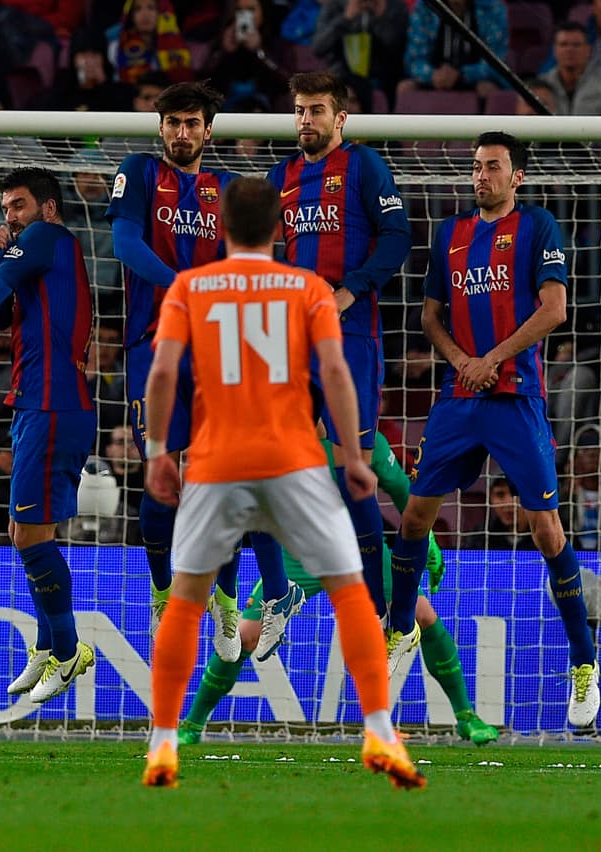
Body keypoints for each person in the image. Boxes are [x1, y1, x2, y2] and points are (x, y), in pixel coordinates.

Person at [140, 176, 423, 790]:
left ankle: (163, 743)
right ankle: (379, 730)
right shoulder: (308, 288)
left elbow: (162, 371)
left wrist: (159, 450)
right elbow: (336, 373)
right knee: (350, 592)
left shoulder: (190, 287)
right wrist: (353, 453)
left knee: (186, 602)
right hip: (294, 460)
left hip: (215, 462)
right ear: (280, 229)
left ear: (221, 230)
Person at [387, 131, 600, 730]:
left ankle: (584, 662)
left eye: (494, 167)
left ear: (518, 176)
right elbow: (430, 314)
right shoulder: (449, 235)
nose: (482, 176)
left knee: (547, 532)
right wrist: (461, 361)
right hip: (459, 396)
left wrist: (493, 360)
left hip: (516, 398)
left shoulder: (538, 228)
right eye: (477, 167)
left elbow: (554, 309)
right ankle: (401, 628)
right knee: (413, 517)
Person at [107, 80, 296, 651]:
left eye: (193, 123)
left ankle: (245, 595)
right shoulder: (139, 172)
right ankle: (165, 591)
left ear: (208, 130)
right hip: (155, 343)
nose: (182, 132)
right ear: (160, 127)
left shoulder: (227, 191)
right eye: (173, 122)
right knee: (162, 475)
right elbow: (123, 242)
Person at [178, 431, 500, 747]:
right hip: (297, 554)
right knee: (247, 635)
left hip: (358, 552)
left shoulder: (363, 441)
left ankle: (465, 716)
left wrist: (426, 540)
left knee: (422, 615)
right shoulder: (280, 438)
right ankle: (192, 724)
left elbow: (404, 491)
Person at [267, 70, 412, 630]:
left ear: (340, 117)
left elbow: (397, 236)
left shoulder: (364, 165)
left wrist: (349, 290)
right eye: (300, 110)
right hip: (293, 341)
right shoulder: (280, 174)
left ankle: (375, 610)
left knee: (355, 469)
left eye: (317, 110)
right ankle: (281, 594)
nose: (306, 120)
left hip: (350, 337)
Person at [0, 167, 98, 704]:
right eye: (6, 208)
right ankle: (45, 646)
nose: (10, 217)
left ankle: (67, 650)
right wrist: (1, 257)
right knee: (24, 533)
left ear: (48, 207)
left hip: (52, 405)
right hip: (44, 404)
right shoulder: (44, 251)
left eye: (19, 206)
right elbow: (21, 304)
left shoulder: (47, 237)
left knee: (32, 537)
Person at [538, 21, 601, 116]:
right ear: (555, 50)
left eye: (576, 45)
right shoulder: (544, 82)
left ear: (588, 50)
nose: (569, 49)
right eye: (563, 44)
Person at [458, 477, 533, 549]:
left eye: (517, 493)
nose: (509, 503)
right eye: (500, 494)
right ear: (490, 498)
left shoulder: (542, 533)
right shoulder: (480, 535)